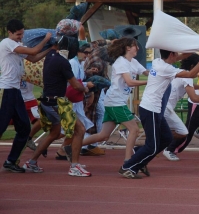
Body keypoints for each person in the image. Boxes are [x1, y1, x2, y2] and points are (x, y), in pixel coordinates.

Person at [120, 47, 199, 179]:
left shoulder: (157, 61)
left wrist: (193, 48)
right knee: (152, 145)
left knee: (166, 138)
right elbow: (190, 74)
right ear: (171, 54)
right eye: (176, 53)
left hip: (154, 109)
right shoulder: (167, 69)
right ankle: (128, 167)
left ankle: (139, 156)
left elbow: (179, 57)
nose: (178, 56)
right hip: (151, 109)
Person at [23, 36, 91, 176]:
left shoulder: (50, 56)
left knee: (54, 133)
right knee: (80, 130)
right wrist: (86, 88)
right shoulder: (62, 62)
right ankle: (74, 166)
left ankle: (32, 162)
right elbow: (75, 85)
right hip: (57, 103)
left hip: (47, 101)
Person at [80, 38, 148, 162]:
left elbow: (146, 72)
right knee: (134, 129)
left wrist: (159, 74)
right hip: (115, 102)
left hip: (114, 102)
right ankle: (129, 161)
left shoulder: (133, 62)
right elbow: (129, 81)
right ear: (128, 48)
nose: (137, 48)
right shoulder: (121, 62)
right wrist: (149, 81)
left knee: (103, 135)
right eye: (135, 46)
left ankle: (71, 146)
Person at [0, 19, 52, 173]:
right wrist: (46, 39)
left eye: (22, 34)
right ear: (10, 33)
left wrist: (50, 49)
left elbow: (34, 58)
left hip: (15, 91)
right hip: (8, 89)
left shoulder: (16, 46)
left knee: (24, 127)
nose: (20, 37)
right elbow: (33, 51)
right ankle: (10, 160)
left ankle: (10, 161)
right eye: (18, 34)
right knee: (2, 126)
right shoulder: (7, 43)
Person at [163, 54, 199, 161]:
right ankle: (168, 149)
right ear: (192, 66)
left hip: (162, 106)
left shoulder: (181, 73)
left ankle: (164, 147)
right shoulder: (187, 77)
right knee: (183, 132)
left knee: (173, 131)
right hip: (166, 108)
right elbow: (194, 98)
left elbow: (189, 85)